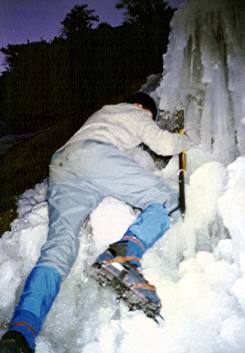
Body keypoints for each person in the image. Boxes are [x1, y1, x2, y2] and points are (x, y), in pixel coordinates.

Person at [0, 92, 192, 353]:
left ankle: (20, 332)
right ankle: (124, 255)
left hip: (62, 166)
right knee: (165, 198)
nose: (148, 119)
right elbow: (164, 144)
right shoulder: (132, 111)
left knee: (60, 245)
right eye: (150, 115)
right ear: (139, 106)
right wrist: (187, 139)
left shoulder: (101, 115)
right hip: (93, 155)